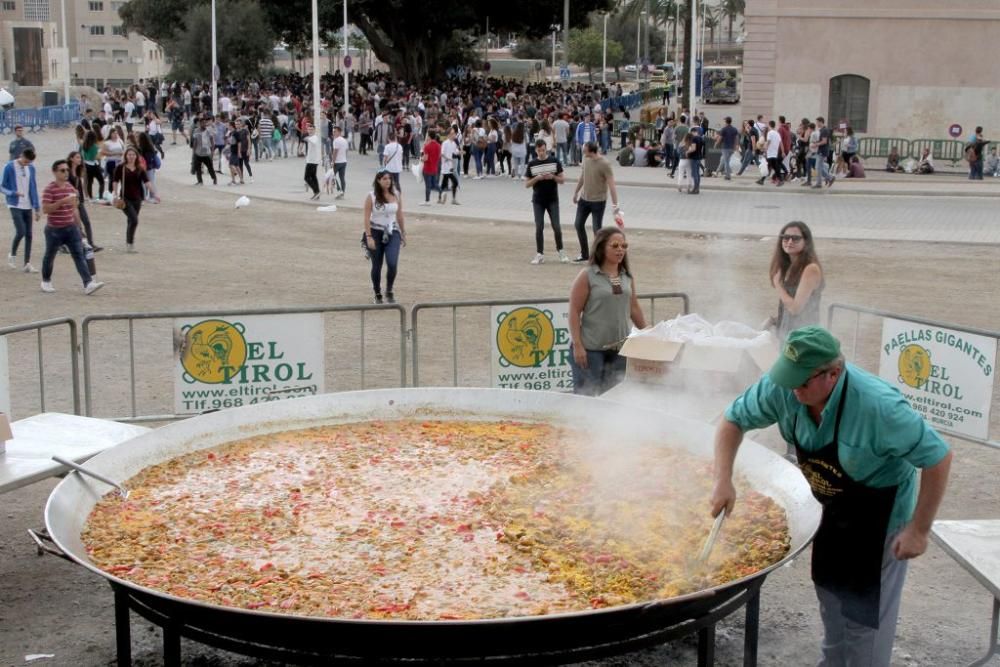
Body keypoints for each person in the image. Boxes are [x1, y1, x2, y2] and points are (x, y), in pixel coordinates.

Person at [710, 325, 952, 667]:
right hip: (831, 508)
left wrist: (919, 529)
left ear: (833, 374)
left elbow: (938, 457)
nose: (793, 389)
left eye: (803, 382)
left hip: (879, 514)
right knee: (832, 598)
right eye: (788, 377)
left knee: (865, 618)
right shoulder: (785, 387)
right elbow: (732, 421)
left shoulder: (878, 407)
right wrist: (723, 480)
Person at [567, 227, 647, 396]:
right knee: (586, 399)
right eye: (615, 245)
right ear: (602, 247)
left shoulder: (626, 277)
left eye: (624, 246)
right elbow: (574, 311)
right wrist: (577, 345)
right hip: (591, 350)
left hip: (619, 351)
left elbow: (633, 307)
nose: (621, 250)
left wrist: (649, 334)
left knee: (613, 400)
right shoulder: (587, 275)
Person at [39, 159, 104, 295]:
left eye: (67, 170)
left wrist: (79, 228)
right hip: (54, 229)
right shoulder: (49, 189)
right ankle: (46, 280)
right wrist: (62, 201)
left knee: (79, 255)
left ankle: (88, 283)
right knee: (49, 256)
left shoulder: (70, 188)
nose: (66, 173)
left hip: (70, 228)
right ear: (55, 172)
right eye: (62, 170)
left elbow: (75, 209)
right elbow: (46, 209)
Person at [363, 169, 407, 304]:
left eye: (389, 178)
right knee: (377, 265)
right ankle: (377, 293)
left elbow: (399, 214)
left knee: (392, 263)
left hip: (392, 231)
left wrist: (403, 232)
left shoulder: (397, 194)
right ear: (378, 180)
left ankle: (389, 289)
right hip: (375, 231)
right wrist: (369, 236)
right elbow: (366, 218)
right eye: (384, 179)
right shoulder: (371, 196)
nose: (388, 181)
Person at [571, 141, 619, 263]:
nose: (582, 150)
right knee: (578, 224)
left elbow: (611, 184)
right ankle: (584, 254)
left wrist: (615, 205)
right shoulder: (586, 159)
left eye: (584, 148)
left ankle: (599, 256)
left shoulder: (604, 164)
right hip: (584, 199)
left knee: (597, 230)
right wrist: (576, 192)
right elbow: (583, 176)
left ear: (590, 150)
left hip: (598, 201)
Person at [524, 139, 568, 265]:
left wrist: (553, 177)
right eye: (539, 151)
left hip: (552, 199)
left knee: (557, 226)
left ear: (546, 148)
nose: (541, 153)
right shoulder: (532, 163)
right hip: (538, 200)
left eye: (543, 150)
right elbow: (526, 184)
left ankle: (561, 250)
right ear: (536, 150)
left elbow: (562, 180)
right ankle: (540, 253)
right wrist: (536, 179)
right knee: (539, 227)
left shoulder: (554, 161)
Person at [113, 146, 159, 253]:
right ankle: (130, 244)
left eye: (133, 155)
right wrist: (115, 194)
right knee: (134, 220)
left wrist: (154, 194)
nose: (131, 157)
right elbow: (115, 181)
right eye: (129, 155)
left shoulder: (140, 168)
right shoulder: (121, 168)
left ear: (136, 156)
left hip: (137, 199)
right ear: (126, 156)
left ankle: (129, 242)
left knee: (131, 221)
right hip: (125, 199)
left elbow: (147, 182)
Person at [2, 148, 40, 273]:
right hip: (14, 204)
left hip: (28, 205)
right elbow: (1, 186)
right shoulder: (9, 167)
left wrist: (37, 207)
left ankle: (27, 263)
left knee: (29, 234)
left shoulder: (31, 168)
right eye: (25, 161)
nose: (26, 163)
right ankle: (12, 254)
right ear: (21, 155)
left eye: (28, 162)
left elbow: (33, 187)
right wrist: (13, 193)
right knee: (21, 231)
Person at [191, 117, 217, 186]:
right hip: (198, 153)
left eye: (205, 123)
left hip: (206, 153)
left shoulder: (209, 131)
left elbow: (212, 141)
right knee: (198, 168)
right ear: (200, 123)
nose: (204, 124)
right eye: (202, 123)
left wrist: (212, 152)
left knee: (210, 168)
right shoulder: (196, 131)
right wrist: (194, 152)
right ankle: (200, 181)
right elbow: (195, 141)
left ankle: (214, 178)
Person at [419, 129, 442, 206]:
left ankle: (427, 201)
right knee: (434, 184)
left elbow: (425, 158)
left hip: (427, 168)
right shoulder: (438, 145)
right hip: (435, 167)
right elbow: (439, 156)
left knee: (428, 186)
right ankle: (441, 192)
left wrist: (421, 159)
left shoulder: (427, 146)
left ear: (429, 136)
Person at [438, 127, 460, 205]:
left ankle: (449, 199)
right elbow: (442, 154)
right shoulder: (445, 143)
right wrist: (448, 159)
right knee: (449, 183)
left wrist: (460, 152)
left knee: (451, 183)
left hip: (450, 167)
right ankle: (442, 198)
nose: (454, 135)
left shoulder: (453, 143)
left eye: (454, 133)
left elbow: (455, 151)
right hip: (445, 166)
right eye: (453, 133)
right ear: (449, 135)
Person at [715, 116, 739, 180]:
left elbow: (720, 138)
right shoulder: (734, 129)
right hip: (731, 148)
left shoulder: (724, 129)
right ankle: (717, 172)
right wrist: (736, 146)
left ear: (726, 121)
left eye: (724, 121)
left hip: (725, 147)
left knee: (726, 162)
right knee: (723, 160)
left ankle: (728, 176)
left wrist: (716, 144)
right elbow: (736, 138)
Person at [303, 124, 322, 200]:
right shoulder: (312, 137)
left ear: (314, 130)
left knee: (306, 177)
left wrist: (307, 138)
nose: (310, 131)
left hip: (312, 161)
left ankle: (316, 191)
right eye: (309, 129)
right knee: (313, 177)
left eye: (311, 129)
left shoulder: (315, 138)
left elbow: (312, 141)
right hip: (311, 160)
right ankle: (317, 193)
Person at [331, 126, 349, 199]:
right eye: (333, 131)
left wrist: (333, 161)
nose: (333, 133)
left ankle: (339, 191)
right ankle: (343, 192)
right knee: (342, 178)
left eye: (335, 131)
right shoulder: (344, 140)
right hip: (344, 161)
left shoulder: (336, 141)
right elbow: (346, 150)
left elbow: (335, 152)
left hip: (337, 162)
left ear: (339, 132)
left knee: (332, 176)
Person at [687, 127, 704, 195]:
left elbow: (693, 148)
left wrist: (687, 152)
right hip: (699, 157)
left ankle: (695, 189)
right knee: (697, 173)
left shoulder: (694, 138)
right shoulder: (701, 138)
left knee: (694, 174)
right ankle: (697, 188)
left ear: (692, 132)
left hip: (694, 157)